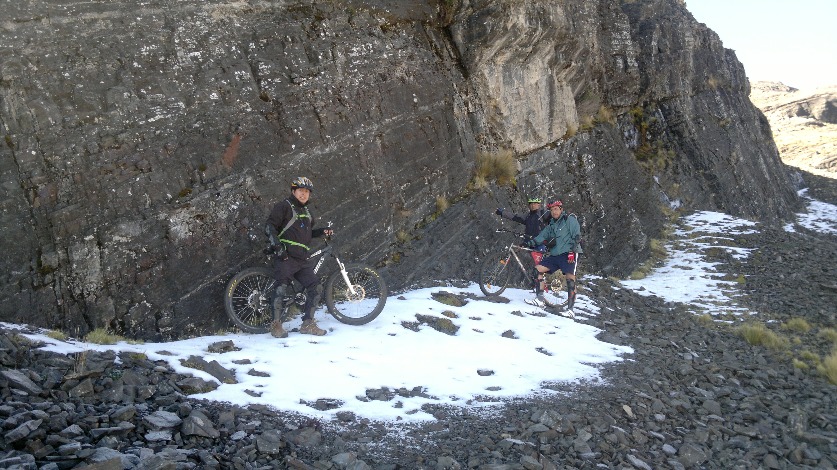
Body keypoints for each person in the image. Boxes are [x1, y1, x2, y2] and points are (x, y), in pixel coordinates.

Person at [264, 176, 334, 338]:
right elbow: (269, 227)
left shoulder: (307, 213)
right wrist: (278, 248)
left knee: (315, 287)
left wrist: (322, 231)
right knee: (281, 288)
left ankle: (307, 324)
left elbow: (308, 234)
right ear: (293, 191)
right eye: (301, 191)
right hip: (286, 256)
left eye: (307, 192)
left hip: (302, 259)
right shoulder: (283, 207)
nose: (304, 194)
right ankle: (276, 325)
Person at [527, 200, 583, 318]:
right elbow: (541, 237)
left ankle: (570, 310)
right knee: (537, 270)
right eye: (552, 210)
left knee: (570, 280)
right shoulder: (551, 224)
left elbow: (577, 236)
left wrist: (572, 252)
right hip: (555, 255)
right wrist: (529, 243)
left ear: (561, 209)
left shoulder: (569, 220)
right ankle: (540, 299)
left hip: (569, 254)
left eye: (556, 209)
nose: (554, 212)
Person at [496, 197, 551, 297]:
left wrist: (553, 208)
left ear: (539, 204)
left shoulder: (543, 213)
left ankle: (540, 295)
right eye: (531, 203)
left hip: (540, 244)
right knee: (525, 259)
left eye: (535, 203)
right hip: (529, 243)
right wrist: (502, 213)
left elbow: (552, 216)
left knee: (539, 269)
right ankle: (535, 283)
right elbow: (515, 217)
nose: (533, 205)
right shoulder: (528, 216)